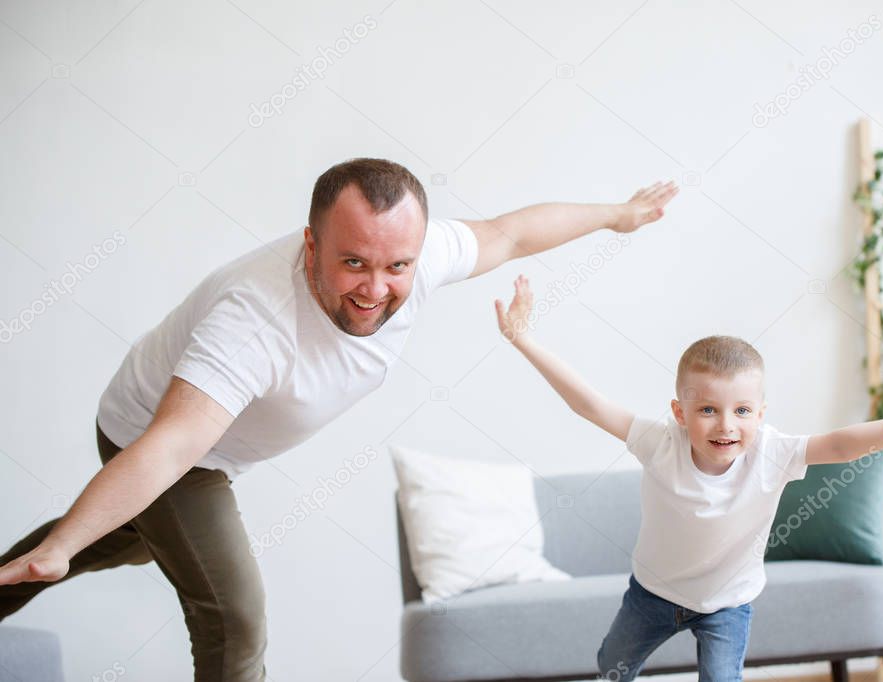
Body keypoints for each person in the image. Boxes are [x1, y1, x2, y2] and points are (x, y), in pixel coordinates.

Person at [0, 159, 680, 681]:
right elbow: (171, 445)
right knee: (232, 615)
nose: (375, 289)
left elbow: (510, 233)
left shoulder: (416, 250)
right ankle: (56, 548)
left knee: (115, 542)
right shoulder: (252, 320)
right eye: (352, 263)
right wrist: (62, 547)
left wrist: (616, 215)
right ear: (310, 244)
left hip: (208, 448)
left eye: (396, 266)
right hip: (159, 440)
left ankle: (45, 554)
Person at [494, 274, 883, 682]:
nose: (726, 425)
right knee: (610, 667)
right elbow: (588, 403)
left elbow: (844, 443)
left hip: (726, 606)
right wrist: (523, 338)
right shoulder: (661, 443)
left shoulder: (772, 451)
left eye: (742, 410)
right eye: (708, 410)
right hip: (652, 595)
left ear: (761, 414)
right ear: (680, 413)